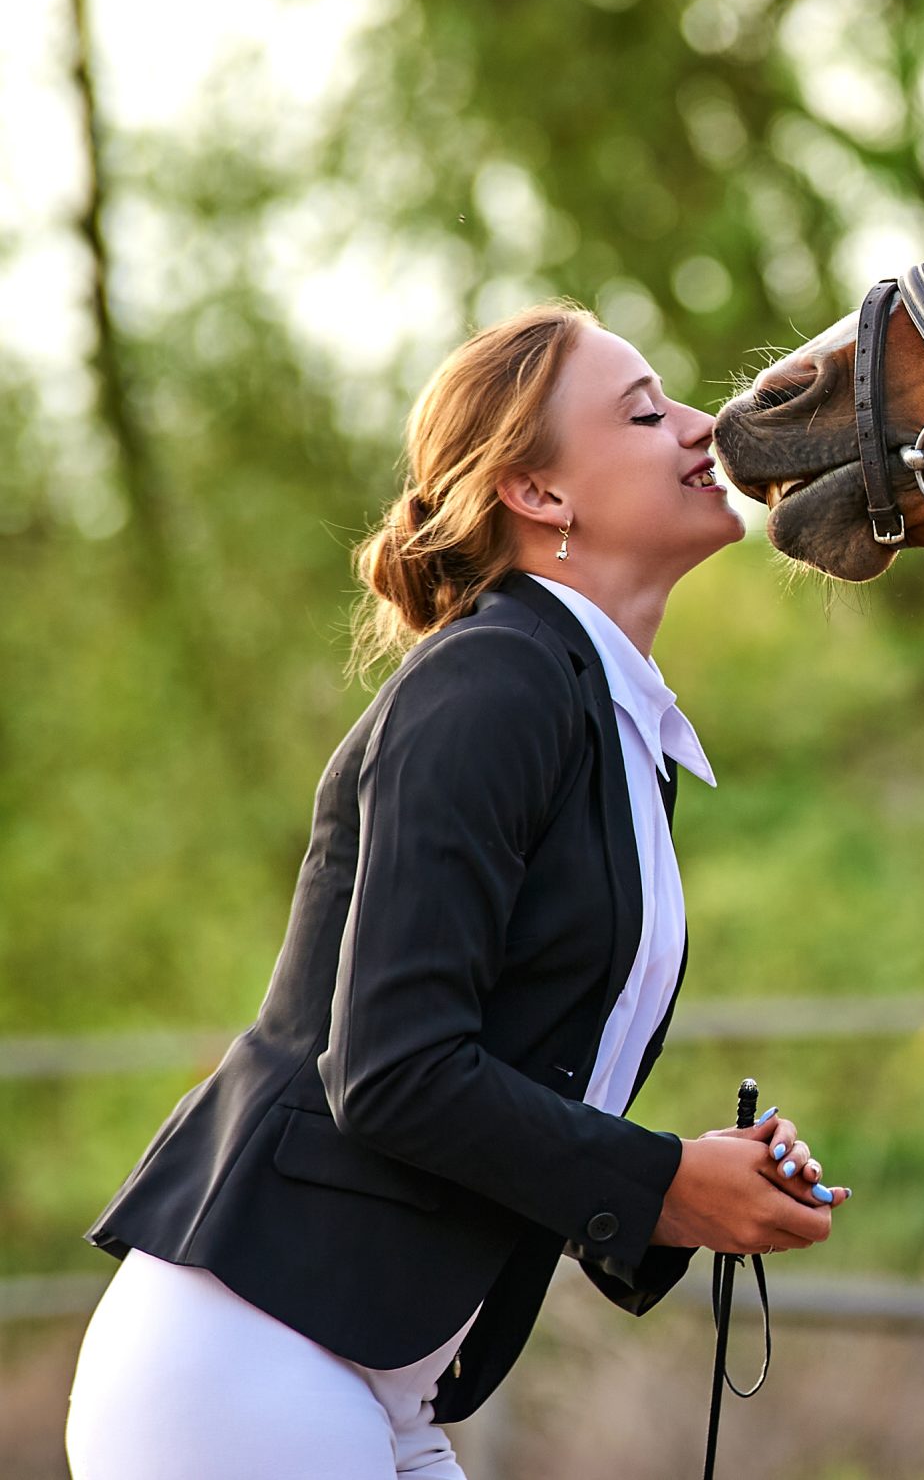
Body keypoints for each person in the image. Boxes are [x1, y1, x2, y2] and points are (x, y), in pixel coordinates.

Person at [63, 303, 837, 1478]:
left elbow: (513, 1077)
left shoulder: (596, 710)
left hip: (370, 1383)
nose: (701, 426)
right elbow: (394, 1067)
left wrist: (685, 1191)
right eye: (645, 409)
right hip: (252, 1365)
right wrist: (664, 1182)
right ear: (537, 491)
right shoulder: (493, 683)